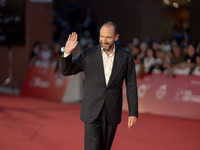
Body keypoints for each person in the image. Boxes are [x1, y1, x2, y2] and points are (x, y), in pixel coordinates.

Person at [60, 21, 138, 150]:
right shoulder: (88, 54)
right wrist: (67, 53)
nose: (104, 40)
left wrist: (133, 112)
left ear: (116, 37)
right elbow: (67, 71)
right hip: (91, 109)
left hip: (112, 109)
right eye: (101, 36)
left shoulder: (126, 57)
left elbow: (131, 85)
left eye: (108, 37)